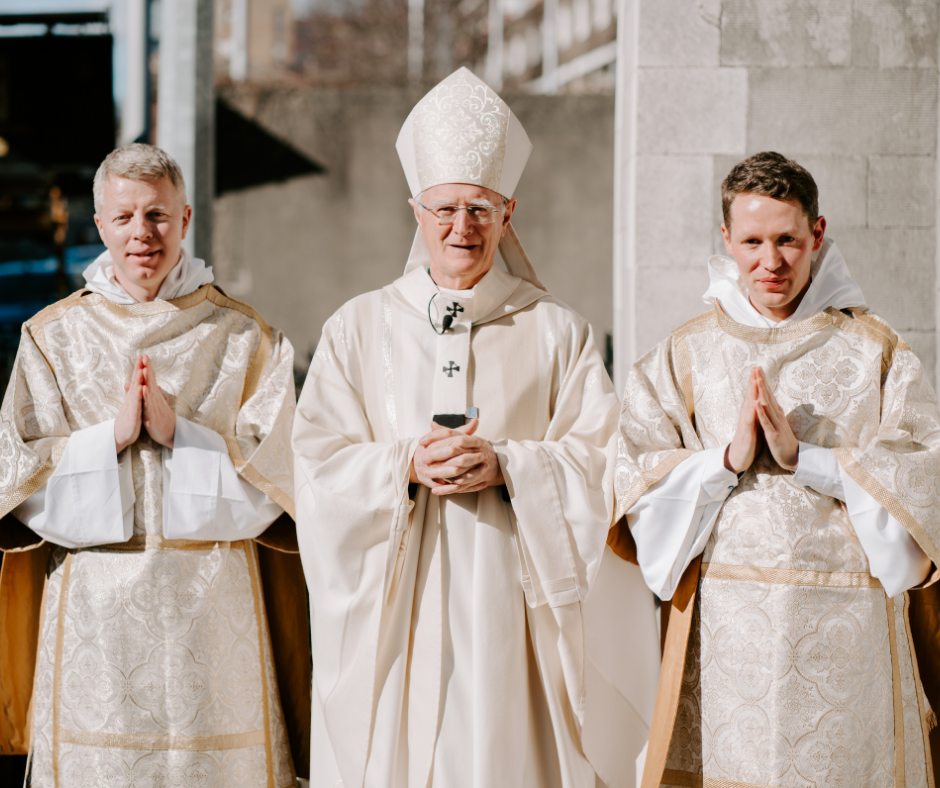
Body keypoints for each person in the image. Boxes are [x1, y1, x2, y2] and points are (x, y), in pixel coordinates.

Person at [293, 67, 659, 788]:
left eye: (481, 209)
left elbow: (606, 461)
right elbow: (314, 461)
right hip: (400, 602)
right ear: (415, 211)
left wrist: (512, 465)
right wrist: (402, 465)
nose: (462, 227)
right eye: (445, 209)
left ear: (508, 211)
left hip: (513, 603)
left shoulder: (559, 332)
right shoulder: (359, 327)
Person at [609, 151, 939, 788]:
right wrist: (723, 463)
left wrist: (806, 461)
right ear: (726, 240)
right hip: (730, 634)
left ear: (817, 235)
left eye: (788, 239)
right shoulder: (684, 354)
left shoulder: (876, 350)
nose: (771, 261)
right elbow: (636, 480)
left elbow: (921, 477)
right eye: (753, 241)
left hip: (849, 635)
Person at [0, 143, 310, 786]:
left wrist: (183, 437)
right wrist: (106, 441)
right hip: (96, 615)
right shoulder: (52, 337)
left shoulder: (245, 337)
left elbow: (282, 486)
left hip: (213, 616)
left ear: (186, 218)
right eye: (124, 218)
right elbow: (16, 488)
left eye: (158, 215)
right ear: (101, 225)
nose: (142, 234)